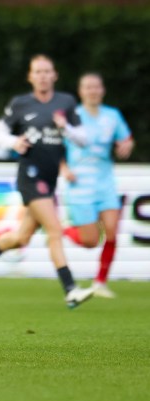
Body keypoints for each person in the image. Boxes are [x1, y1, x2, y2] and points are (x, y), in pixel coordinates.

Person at [0, 54, 95, 309]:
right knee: (55, 230)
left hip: (49, 180)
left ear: (55, 75)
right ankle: (70, 289)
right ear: (30, 76)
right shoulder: (21, 104)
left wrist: (65, 128)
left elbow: (83, 138)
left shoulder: (66, 102)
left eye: (47, 71)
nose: (43, 76)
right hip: (30, 177)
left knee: (21, 238)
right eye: (38, 72)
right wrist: (14, 142)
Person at [60, 72, 134, 298]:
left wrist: (126, 145)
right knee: (91, 241)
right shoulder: (71, 117)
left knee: (112, 230)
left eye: (96, 87)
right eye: (88, 87)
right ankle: (61, 229)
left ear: (102, 90)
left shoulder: (112, 115)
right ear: (81, 91)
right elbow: (54, 148)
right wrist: (64, 168)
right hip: (80, 185)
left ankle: (100, 282)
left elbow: (127, 138)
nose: (92, 91)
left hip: (105, 183)